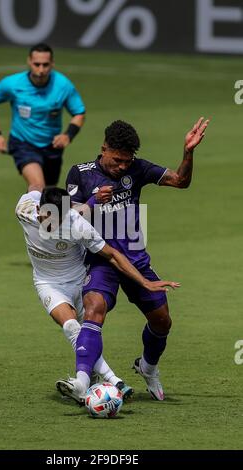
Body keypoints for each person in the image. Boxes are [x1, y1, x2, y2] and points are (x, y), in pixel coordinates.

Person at [63, 117, 209, 401]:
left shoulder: (137, 169)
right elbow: (64, 217)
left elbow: (180, 181)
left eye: (127, 162)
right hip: (101, 259)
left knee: (163, 322)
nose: (122, 167)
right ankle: (82, 381)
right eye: (117, 160)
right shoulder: (80, 173)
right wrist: (92, 203)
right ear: (104, 148)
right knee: (93, 310)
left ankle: (147, 367)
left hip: (135, 258)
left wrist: (188, 151)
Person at [15, 187, 179, 404]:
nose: (53, 224)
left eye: (59, 218)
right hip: (49, 284)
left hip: (79, 280)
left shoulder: (77, 224)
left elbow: (113, 255)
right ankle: (113, 381)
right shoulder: (24, 210)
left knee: (86, 337)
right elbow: (35, 187)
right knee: (71, 328)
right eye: (48, 217)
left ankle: (89, 382)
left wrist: (144, 281)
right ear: (38, 209)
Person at [0, 43, 85, 191]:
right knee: (38, 186)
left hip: (52, 146)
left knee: (50, 194)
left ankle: (36, 213)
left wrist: (68, 135)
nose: (41, 70)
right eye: (36, 64)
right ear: (29, 62)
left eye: (45, 65)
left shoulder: (63, 85)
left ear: (52, 64)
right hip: (23, 144)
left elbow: (79, 113)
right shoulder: (13, 84)